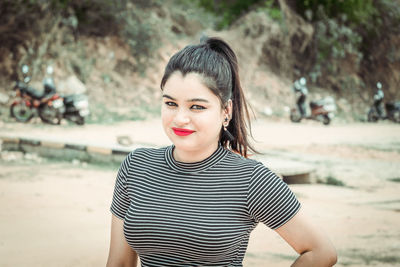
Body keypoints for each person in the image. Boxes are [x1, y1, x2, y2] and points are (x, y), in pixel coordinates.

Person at [106, 37, 337, 267]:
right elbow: (119, 263)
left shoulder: (250, 180)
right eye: (170, 103)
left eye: (197, 106)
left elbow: (320, 252)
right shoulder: (136, 166)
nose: (180, 118)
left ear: (226, 111)